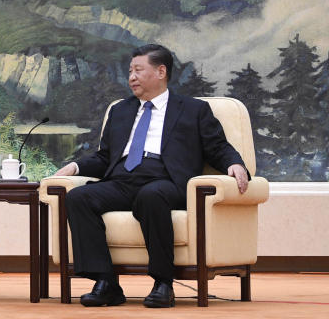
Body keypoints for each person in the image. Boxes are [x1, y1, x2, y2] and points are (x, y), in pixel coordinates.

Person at [53, 44, 250, 308]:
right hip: (123, 179)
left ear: (160, 71)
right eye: (130, 71)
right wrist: (75, 167)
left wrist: (235, 163)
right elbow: (106, 156)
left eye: (138, 70)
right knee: (79, 197)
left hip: (166, 180)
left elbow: (217, 146)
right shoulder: (120, 110)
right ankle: (106, 282)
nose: (131, 77)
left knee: (151, 195)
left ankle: (163, 283)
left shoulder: (193, 110)